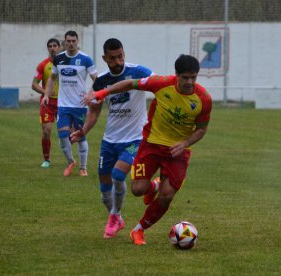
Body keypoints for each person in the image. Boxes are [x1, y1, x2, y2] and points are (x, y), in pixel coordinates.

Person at [82, 54, 212, 245]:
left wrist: (184, 143)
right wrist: (102, 93)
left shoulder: (203, 99)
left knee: (167, 196)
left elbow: (201, 129)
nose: (189, 82)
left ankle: (139, 230)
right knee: (137, 189)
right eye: (185, 77)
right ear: (176, 75)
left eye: (193, 77)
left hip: (177, 151)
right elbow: (129, 84)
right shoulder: (161, 83)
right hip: (151, 144)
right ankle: (154, 185)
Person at [70, 38, 153, 238]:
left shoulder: (139, 72)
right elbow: (94, 112)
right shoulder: (101, 81)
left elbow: (160, 84)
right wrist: (84, 131)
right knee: (104, 189)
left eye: (121, 56)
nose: (118, 61)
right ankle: (117, 217)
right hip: (110, 140)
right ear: (104, 58)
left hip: (134, 139)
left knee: (118, 175)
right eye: (113, 58)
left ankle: (114, 216)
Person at [42, 30, 97, 176]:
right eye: (68, 41)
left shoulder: (86, 59)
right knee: (62, 136)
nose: (71, 44)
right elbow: (53, 78)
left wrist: (91, 94)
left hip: (79, 105)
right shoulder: (59, 59)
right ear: (65, 42)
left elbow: (97, 79)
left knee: (80, 136)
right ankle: (70, 162)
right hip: (63, 105)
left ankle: (83, 167)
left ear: (77, 41)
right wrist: (47, 95)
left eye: (73, 41)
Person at [31, 38, 61, 168]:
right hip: (47, 102)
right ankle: (47, 160)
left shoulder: (65, 64)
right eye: (50, 46)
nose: (53, 48)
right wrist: (46, 93)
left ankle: (70, 159)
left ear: (59, 47)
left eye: (55, 46)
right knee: (46, 130)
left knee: (69, 131)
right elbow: (34, 85)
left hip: (63, 102)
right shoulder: (43, 65)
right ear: (48, 48)